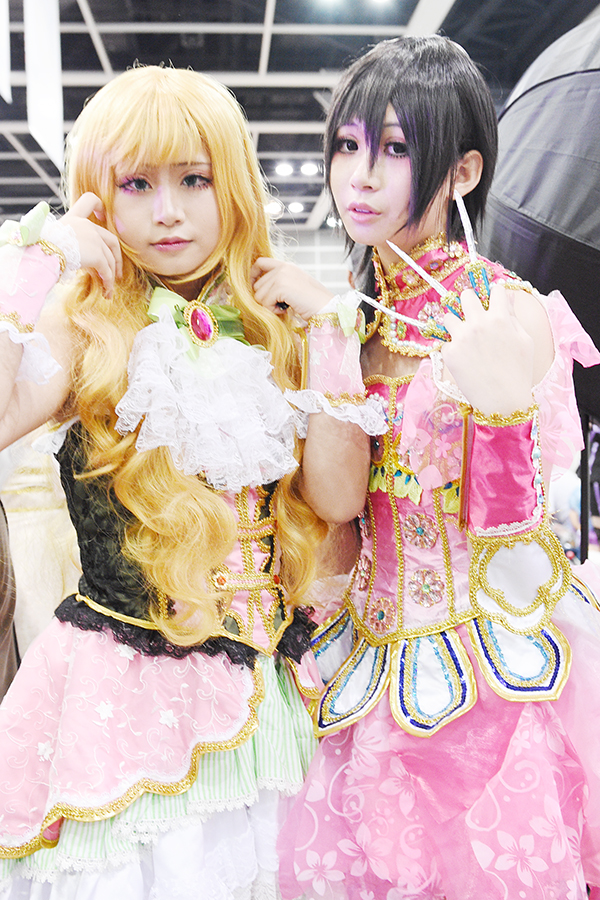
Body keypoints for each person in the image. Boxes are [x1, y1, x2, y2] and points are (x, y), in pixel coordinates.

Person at [0, 64, 379, 898]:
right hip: (124, 700)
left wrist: (330, 332)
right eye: (136, 184)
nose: (167, 210)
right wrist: (40, 258)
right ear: (99, 196)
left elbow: (338, 501)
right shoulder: (82, 321)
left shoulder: (278, 325)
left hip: (272, 698)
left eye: (194, 180)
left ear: (231, 186)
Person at [251, 36, 600, 900]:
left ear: (463, 171)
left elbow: (509, 519)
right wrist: (334, 334)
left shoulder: (507, 309)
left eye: (397, 148)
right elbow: (337, 502)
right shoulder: (352, 324)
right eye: (347, 146)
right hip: (368, 665)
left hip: (495, 669)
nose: (361, 176)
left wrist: (498, 400)